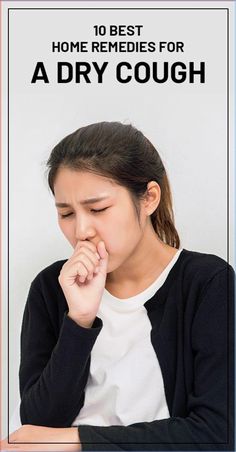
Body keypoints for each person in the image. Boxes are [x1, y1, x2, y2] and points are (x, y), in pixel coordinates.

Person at [3, 122, 234, 451]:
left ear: (149, 198)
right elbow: (38, 427)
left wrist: (79, 441)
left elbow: (216, 434)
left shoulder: (208, 284)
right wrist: (79, 320)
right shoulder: (51, 288)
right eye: (66, 213)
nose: (82, 230)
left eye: (98, 209)